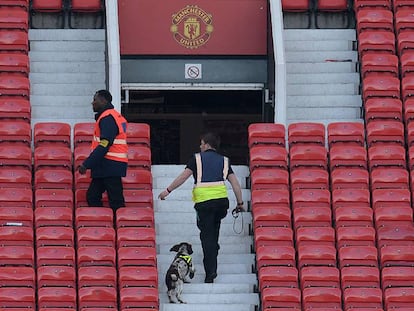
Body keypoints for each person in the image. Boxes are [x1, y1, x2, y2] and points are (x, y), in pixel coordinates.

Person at [158, 132, 244, 283]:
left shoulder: (196, 159)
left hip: (204, 204)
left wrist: (168, 190)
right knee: (213, 233)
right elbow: (235, 184)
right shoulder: (225, 161)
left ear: (207, 145)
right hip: (221, 204)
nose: (200, 146)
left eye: (201, 143)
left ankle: (210, 272)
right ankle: (214, 252)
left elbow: (183, 177)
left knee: (206, 237)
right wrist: (240, 203)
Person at [78, 89, 128, 211]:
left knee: (115, 201)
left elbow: (104, 144)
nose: (92, 103)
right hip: (106, 165)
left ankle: (119, 227)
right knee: (93, 196)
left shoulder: (108, 118)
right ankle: (104, 226)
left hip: (110, 165)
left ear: (103, 101)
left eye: (95, 100)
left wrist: (86, 164)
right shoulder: (110, 116)